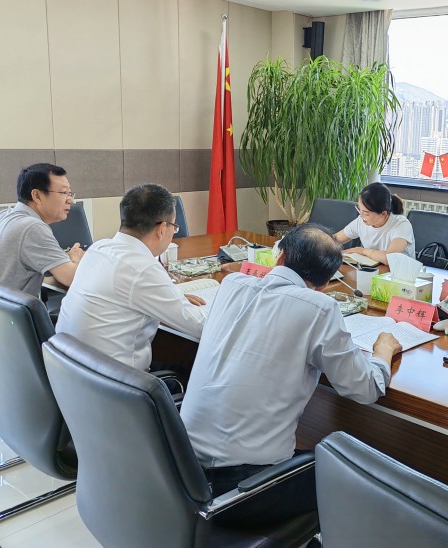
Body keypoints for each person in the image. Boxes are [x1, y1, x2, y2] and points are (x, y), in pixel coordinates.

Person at [180, 223, 401, 524]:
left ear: (280, 256)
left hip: (181, 469)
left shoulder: (232, 284)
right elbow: (365, 388)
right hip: (243, 488)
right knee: (356, 484)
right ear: (325, 282)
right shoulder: (320, 308)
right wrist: (383, 351)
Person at [55, 184, 205, 372]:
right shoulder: (143, 267)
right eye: (174, 227)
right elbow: (201, 326)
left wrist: (170, 297)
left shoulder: (98, 248)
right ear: (161, 229)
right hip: (115, 383)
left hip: (68, 372)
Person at [0, 163, 84, 367]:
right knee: (82, 337)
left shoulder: (5, 216)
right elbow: (72, 279)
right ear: (37, 196)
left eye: (70, 193)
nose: (71, 200)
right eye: (63, 193)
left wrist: (65, 261)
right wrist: (75, 260)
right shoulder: (32, 227)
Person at [334, 182, 415, 264]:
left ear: (383, 214)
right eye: (359, 209)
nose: (361, 215)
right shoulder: (361, 221)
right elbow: (335, 239)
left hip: (401, 271)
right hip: (376, 269)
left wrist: (362, 251)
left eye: (366, 213)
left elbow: (390, 258)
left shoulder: (401, 224)